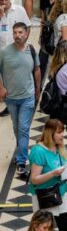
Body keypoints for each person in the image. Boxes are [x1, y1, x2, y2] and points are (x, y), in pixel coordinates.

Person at [0, 20, 41, 179]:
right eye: (15, 33)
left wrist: (37, 89)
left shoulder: (31, 50)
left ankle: (22, 161)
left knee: (23, 128)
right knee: (17, 128)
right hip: (11, 98)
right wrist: (1, 88)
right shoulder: (4, 52)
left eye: (20, 33)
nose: (17, 36)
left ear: (26, 33)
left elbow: (37, 70)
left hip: (27, 97)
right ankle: (21, 151)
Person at [27, 119, 67, 231]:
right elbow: (34, 179)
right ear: (50, 133)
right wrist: (53, 173)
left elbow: (61, 166)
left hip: (59, 195)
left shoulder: (58, 147)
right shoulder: (38, 151)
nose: (62, 135)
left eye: (63, 132)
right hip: (44, 197)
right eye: (59, 132)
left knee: (66, 230)